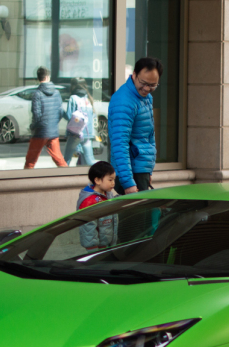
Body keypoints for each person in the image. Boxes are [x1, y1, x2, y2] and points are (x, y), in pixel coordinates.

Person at [108, 57, 162, 194]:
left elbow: (149, 135)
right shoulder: (124, 101)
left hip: (140, 170)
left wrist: (147, 170)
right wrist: (128, 183)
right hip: (130, 174)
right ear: (134, 75)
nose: (146, 88)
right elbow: (119, 144)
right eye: (143, 83)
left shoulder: (146, 98)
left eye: (152, 85)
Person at [24, 66, 67, 169]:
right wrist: (53, 124)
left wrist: (33, 127)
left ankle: (25, 182)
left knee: (30, 161)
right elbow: (60, 112)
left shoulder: (37, 94)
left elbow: (36, 115)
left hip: (40, 132)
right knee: (59, 160)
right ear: (48, 77)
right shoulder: (57, 93)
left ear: (38, 78)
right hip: (53, 131)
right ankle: (70, 179)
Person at [76, 161, 117, 250]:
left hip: (106, 243)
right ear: (97, 180)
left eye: (114, 179)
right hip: (96, 247)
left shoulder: (107, 194)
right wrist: (93, 248)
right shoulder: (89, 201)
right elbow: (88, 228)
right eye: (110, 180)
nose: (113, 183)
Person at [63, 82, 96, 167]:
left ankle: (62, 177)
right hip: (88, 134)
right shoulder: (88, 98)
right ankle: (101, 173)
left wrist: (61, 112)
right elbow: (93, 115)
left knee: (66, 159)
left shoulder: (73, 98)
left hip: (76, 133)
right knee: (90, 160)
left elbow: (69, 116)